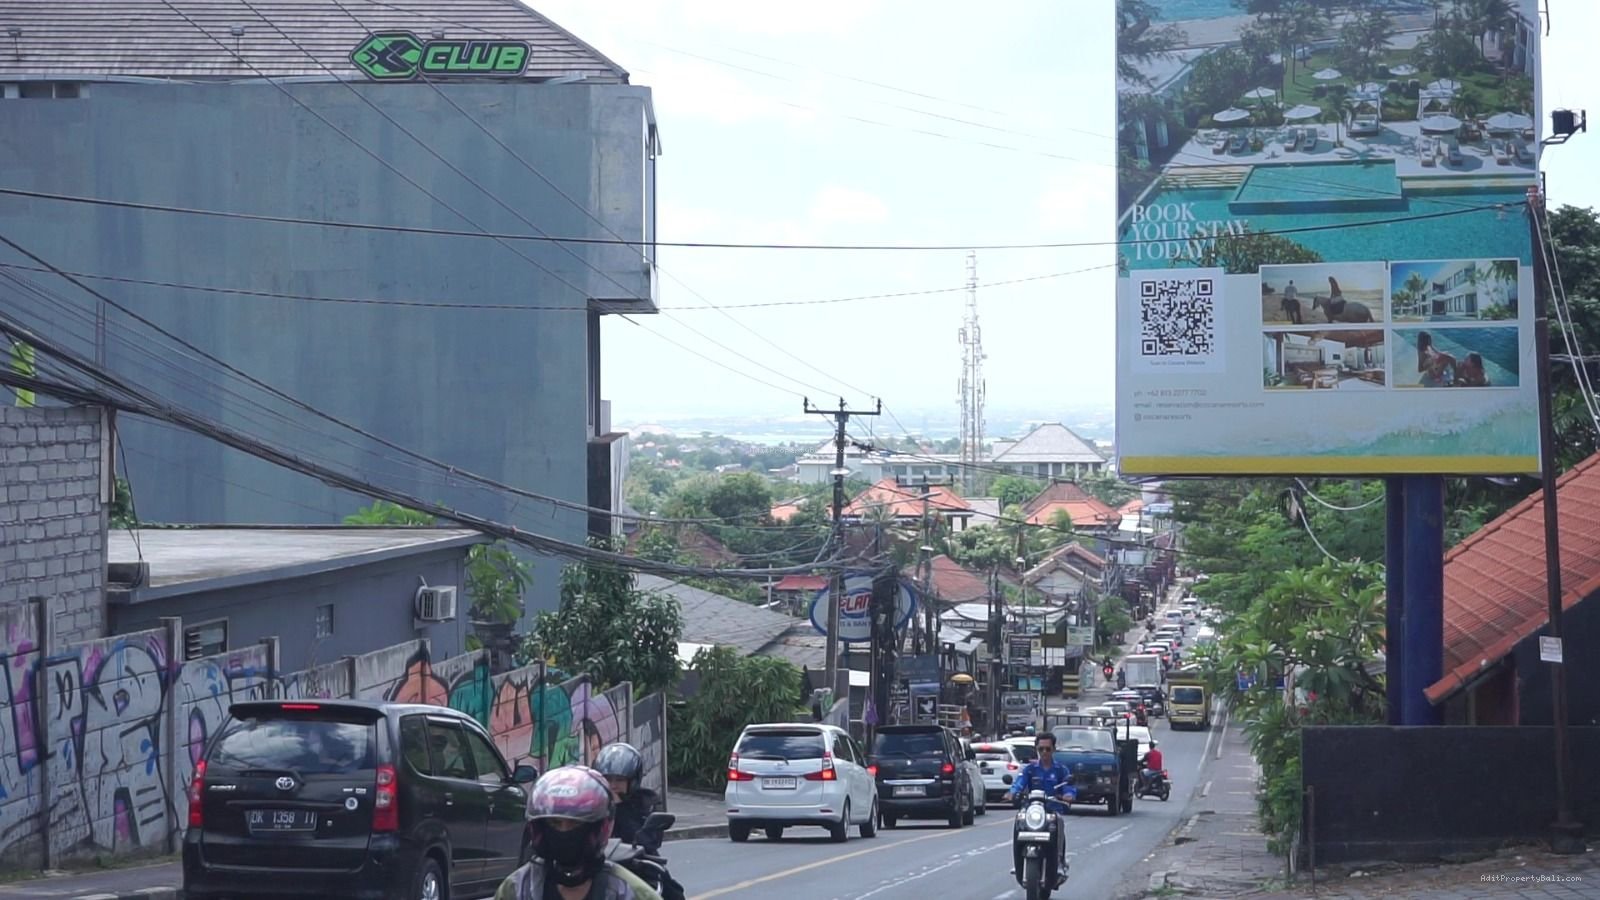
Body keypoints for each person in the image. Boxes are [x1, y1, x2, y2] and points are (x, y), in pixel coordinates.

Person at [494, 766, 663, 900]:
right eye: (555, 823)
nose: (564, 831)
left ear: (598, 827)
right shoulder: (518, 891)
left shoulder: (629, 893)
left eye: (575, 823)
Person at [595, 742, 685, 900]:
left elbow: (648, 843)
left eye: (619, 780)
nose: (613, 785)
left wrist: (619, 808)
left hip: (633, 868)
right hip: (594, 867)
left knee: (672, 891)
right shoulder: (590, 806)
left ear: (632, 781)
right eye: (608, 779)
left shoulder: (643, 805)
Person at [1008, 732, 1073, 885]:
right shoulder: (1029, 769)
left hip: (1052, 809)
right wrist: (1012, 793)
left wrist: (1068, 795)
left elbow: (1068, 786)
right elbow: (1019, 783)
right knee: (1019, 820)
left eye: (1047, 749)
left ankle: (1058, 862)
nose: (1044, 752)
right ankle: (1018, 862)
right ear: (1037, 749)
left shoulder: (1061, 770)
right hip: (1032, 810)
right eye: (1041, 749)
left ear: (1053, 749)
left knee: (1059, 821)